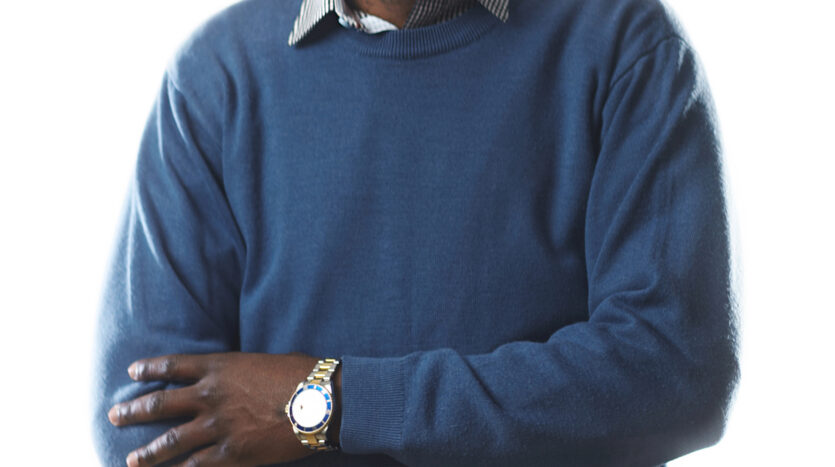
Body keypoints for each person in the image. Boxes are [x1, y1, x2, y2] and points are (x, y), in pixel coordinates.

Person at [91, 0, 739, 465]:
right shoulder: (215, 76)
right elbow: (144, 428)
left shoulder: (623, 43)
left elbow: (671, 373)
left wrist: (326, 403)